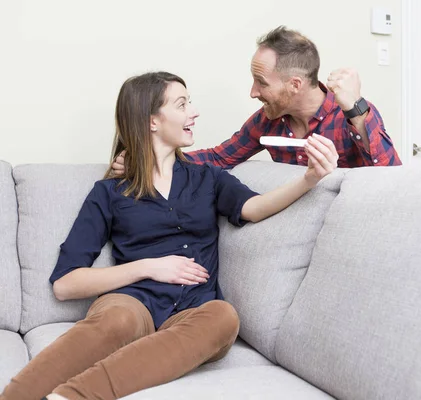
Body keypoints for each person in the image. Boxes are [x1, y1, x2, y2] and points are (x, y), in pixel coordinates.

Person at [0, 71, 337, 400]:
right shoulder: (110, 192)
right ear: (152, 121)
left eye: (189, 102)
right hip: (132, 302)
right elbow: (65, 284)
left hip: (195, 307)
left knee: (223, 318)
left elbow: (256, 207)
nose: (194, 112)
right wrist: (148, 266)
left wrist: (309, 178)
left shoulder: (208, 178)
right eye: (181, 104)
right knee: (115, 319)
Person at [111, 26, 400, 176]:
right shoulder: (267, 121)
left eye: (261, 82)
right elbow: (218, 158)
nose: (253, 92)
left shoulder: (350, 114)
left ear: (295, 84)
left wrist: (356, 109)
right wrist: (148, 162)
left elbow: (391, 181)